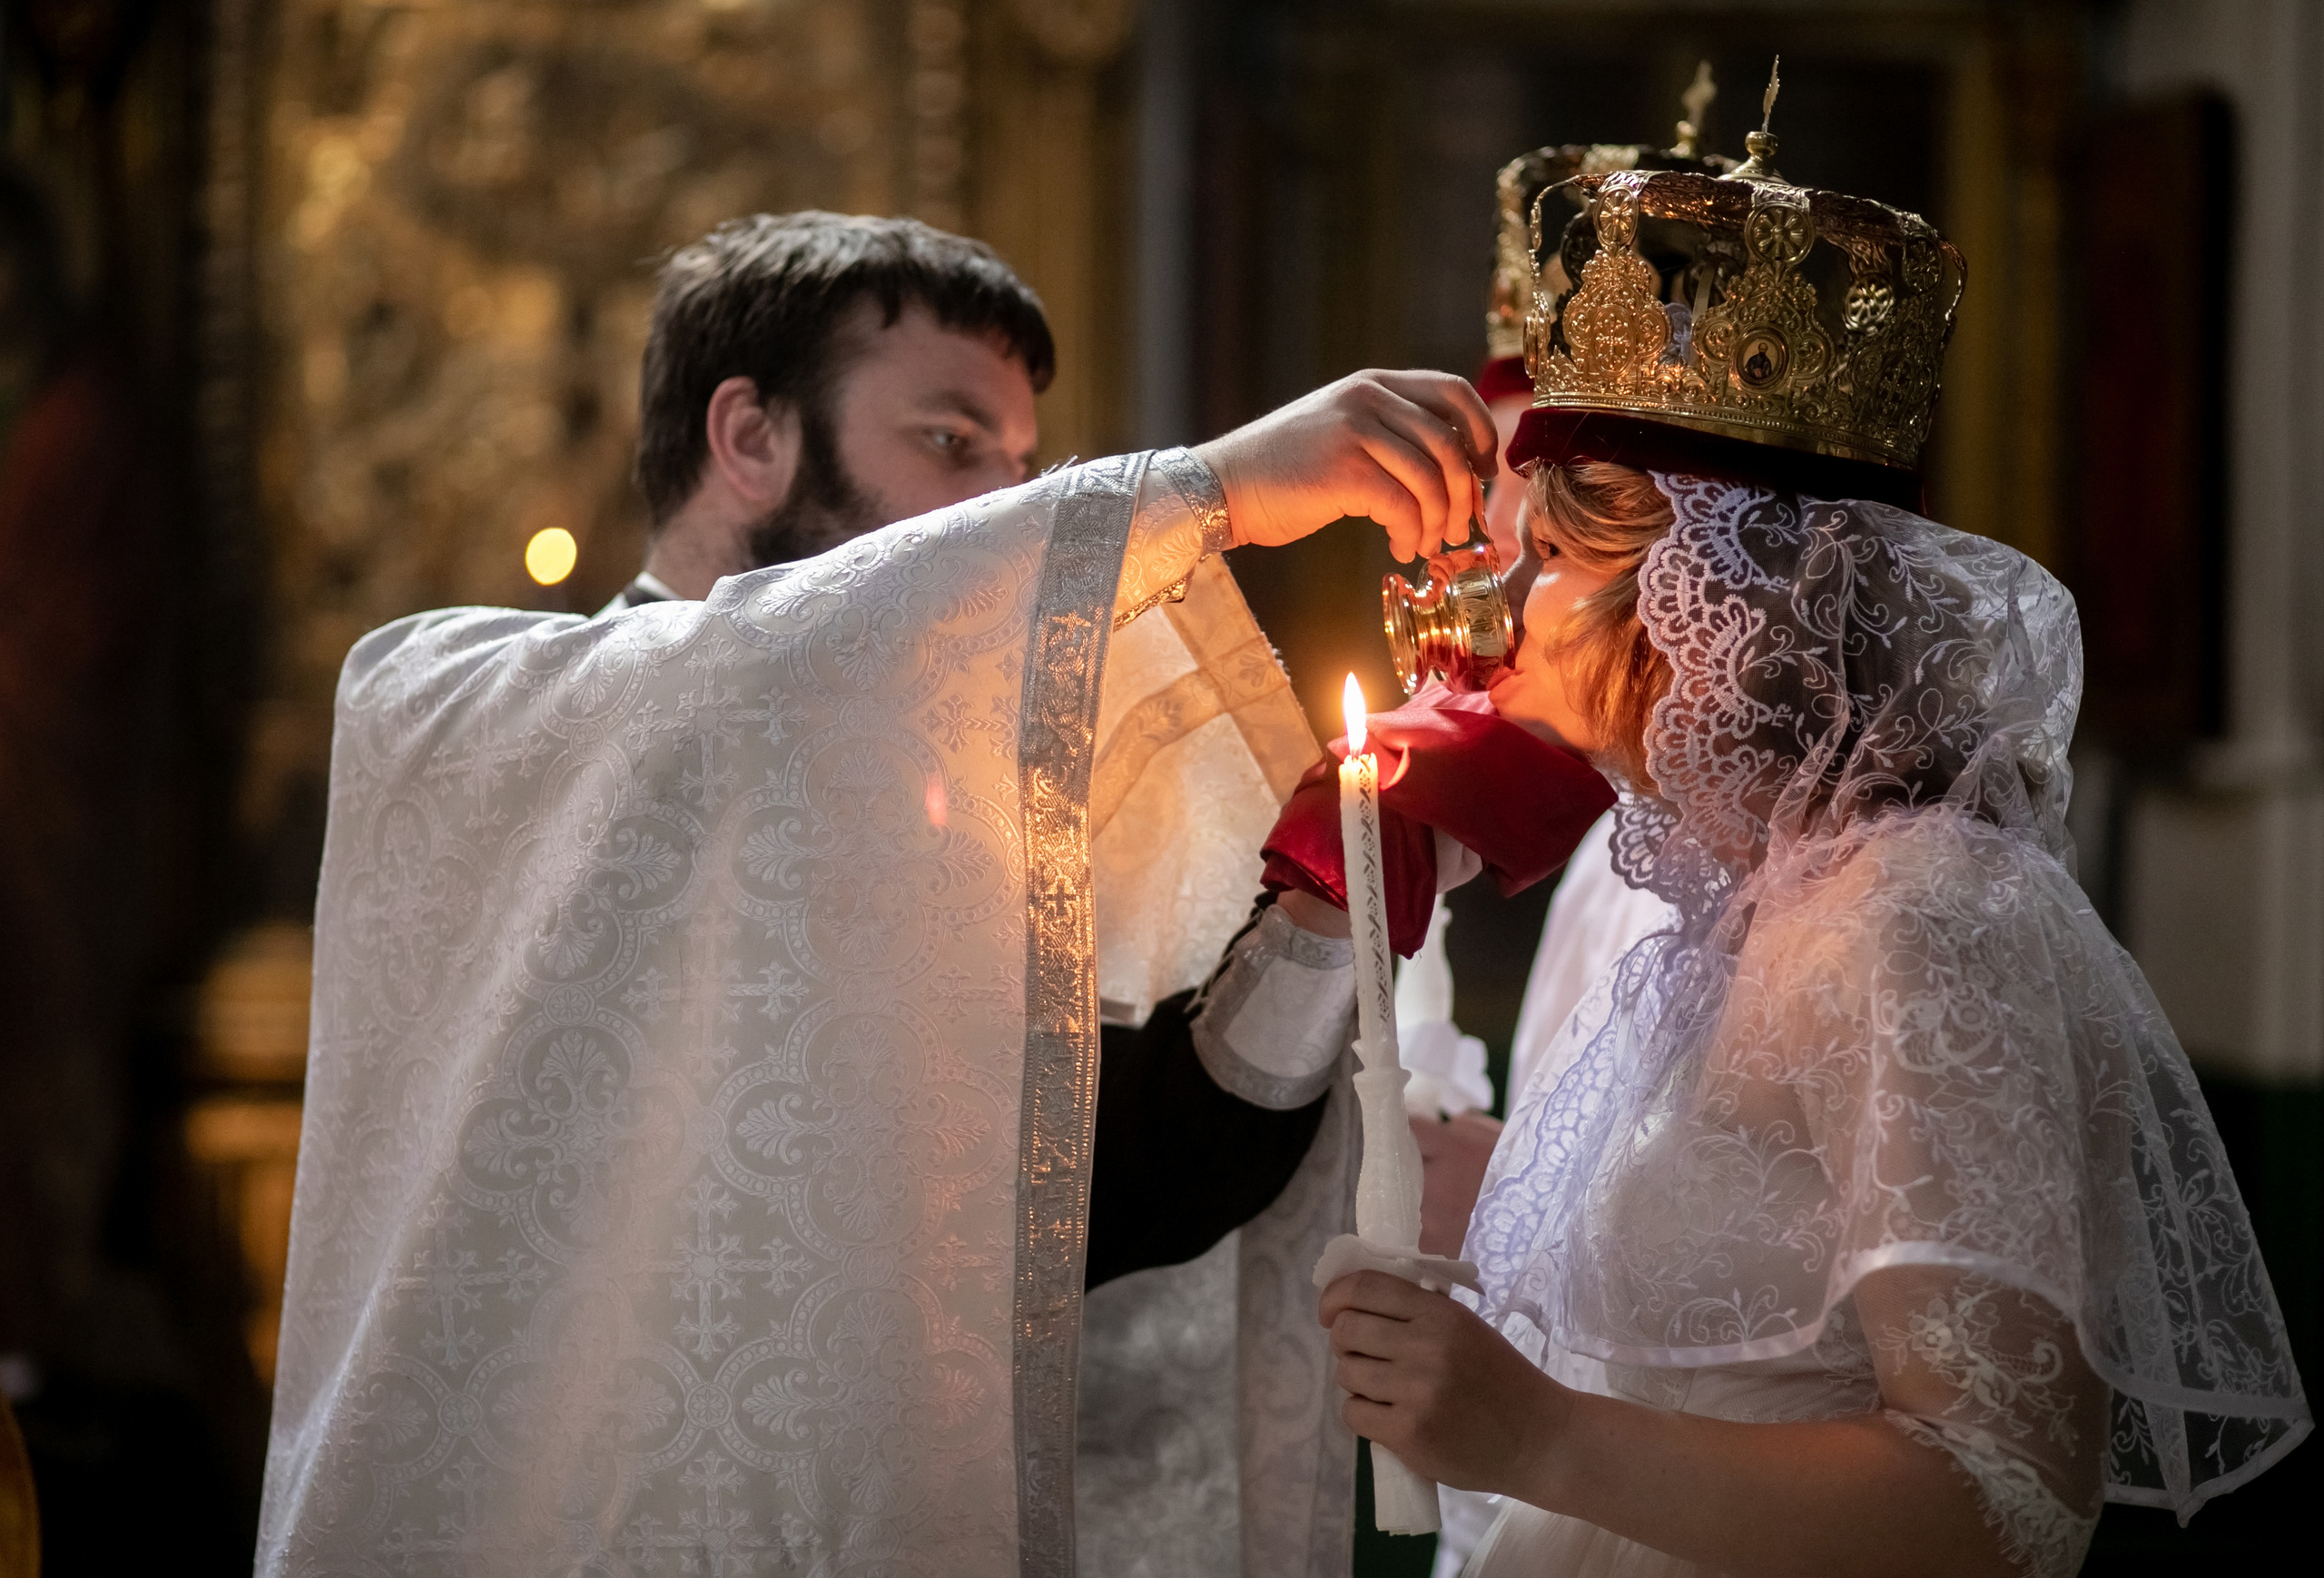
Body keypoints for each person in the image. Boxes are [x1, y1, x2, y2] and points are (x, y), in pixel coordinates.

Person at [261, 206, 1590, 1576]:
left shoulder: (948, 819)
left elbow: (1113, 1182)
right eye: (951, 446)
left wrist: (1327, 891)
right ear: (750, 437)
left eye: (1022, 470)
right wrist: (1214, 492)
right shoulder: (469, 703)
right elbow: (769, 675)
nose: (995, 511)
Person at [1318, 109, 2310, 1578]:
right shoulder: (1723, 909)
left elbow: (2008, 1501)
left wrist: (1534, 1436)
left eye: (1553, 557)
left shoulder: (1925, 916)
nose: (1499, 601)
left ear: (1702, 604)